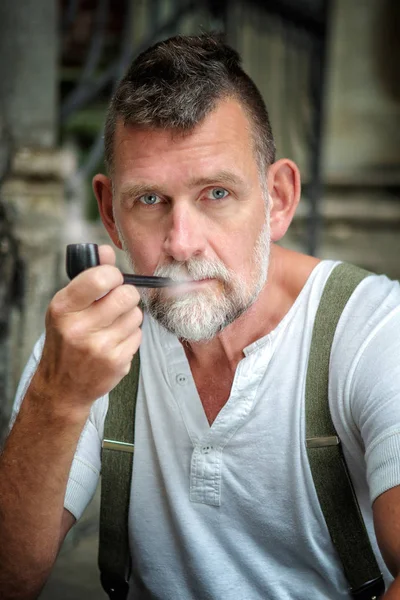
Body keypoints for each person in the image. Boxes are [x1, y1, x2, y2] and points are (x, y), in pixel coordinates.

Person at [1, 32, 400, 600]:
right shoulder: (90, 344)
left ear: (279, 199)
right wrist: (56, 399)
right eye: (149, 200)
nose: (183, 243)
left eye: (216, 193)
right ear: (110, 216)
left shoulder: (375, 333)